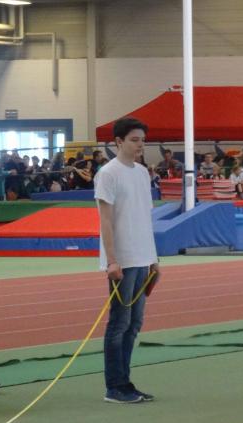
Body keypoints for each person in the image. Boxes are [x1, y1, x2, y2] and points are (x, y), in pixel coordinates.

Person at [95, 117, 159, 405]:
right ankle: (115, 386)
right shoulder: (108, 174)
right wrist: (112, 260)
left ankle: (126, 382)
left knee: (134, 323)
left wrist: (154, 260)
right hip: (123, 258)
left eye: (142, 140)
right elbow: (106, 220)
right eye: (134, 140)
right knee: (119, 323)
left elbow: (144, 217)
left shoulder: (143, 173)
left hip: (143, 257)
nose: (140, 145)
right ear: (118, 142)